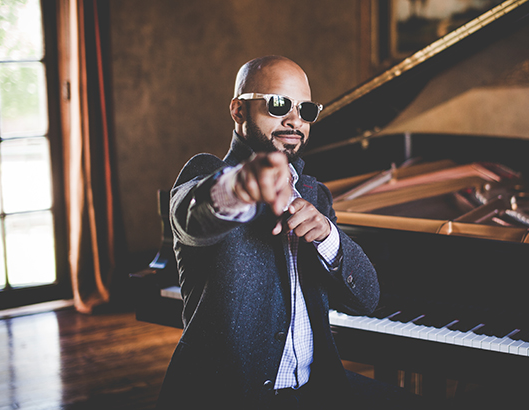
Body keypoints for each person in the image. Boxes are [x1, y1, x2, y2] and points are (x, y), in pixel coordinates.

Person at [156, 56, 428, 409]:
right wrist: (240, 186)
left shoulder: (316, 195)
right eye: (278, 104)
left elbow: (367, 298)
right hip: (229, 395)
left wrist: (329, 236)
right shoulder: (208, 173)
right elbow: (193, 214)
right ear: (238, 111)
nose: (295, 119)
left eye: (307, 110)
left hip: (319, 389)